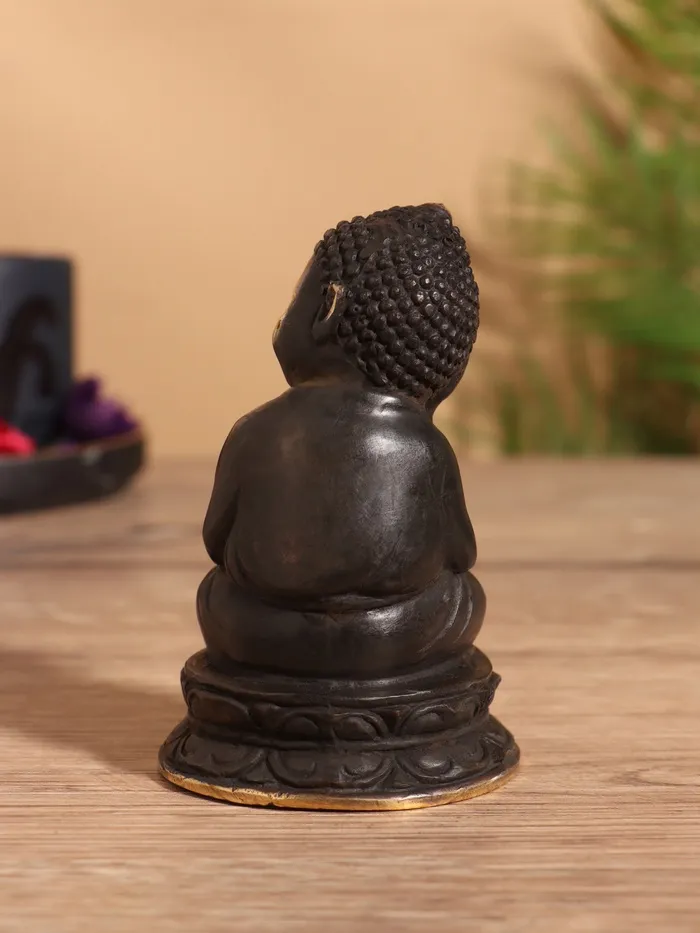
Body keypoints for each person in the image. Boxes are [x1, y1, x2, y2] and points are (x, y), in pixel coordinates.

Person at [197, 204, 485, 677]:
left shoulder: (253, 429)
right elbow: (460, 552)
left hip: (260, 634)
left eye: (295, 298)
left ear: (327, 309)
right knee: (464, 596)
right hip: (394, 639)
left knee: (215, 590)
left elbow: (216, 539)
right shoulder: (427, 448)